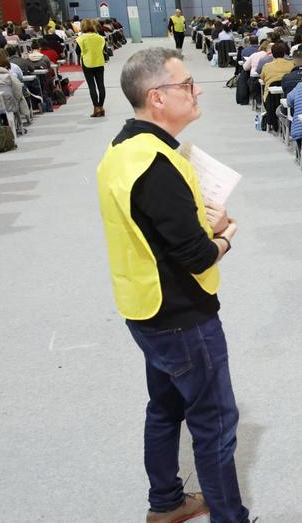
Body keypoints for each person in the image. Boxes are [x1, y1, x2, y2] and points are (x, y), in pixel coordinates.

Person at [96, 48, 248, 523]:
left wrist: (199, 224)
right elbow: (196, 256)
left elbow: (155, 230)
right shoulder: (158, 165)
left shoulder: (125, 148)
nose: (197, 89)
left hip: (144, 304)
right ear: (157, 98)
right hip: (181, 313)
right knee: (215, 422)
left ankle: (166, 501)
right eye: (186, 85)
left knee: (164, 407)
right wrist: (223, 237)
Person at [78, 19, 108, 117]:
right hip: (99, 62)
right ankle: (101, 107)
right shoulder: (100, 38)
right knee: (101, 85)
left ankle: (96, 108)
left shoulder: (81, 38)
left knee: (92, 86)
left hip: (87, 63)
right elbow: (104, 49)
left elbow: (78, 51)